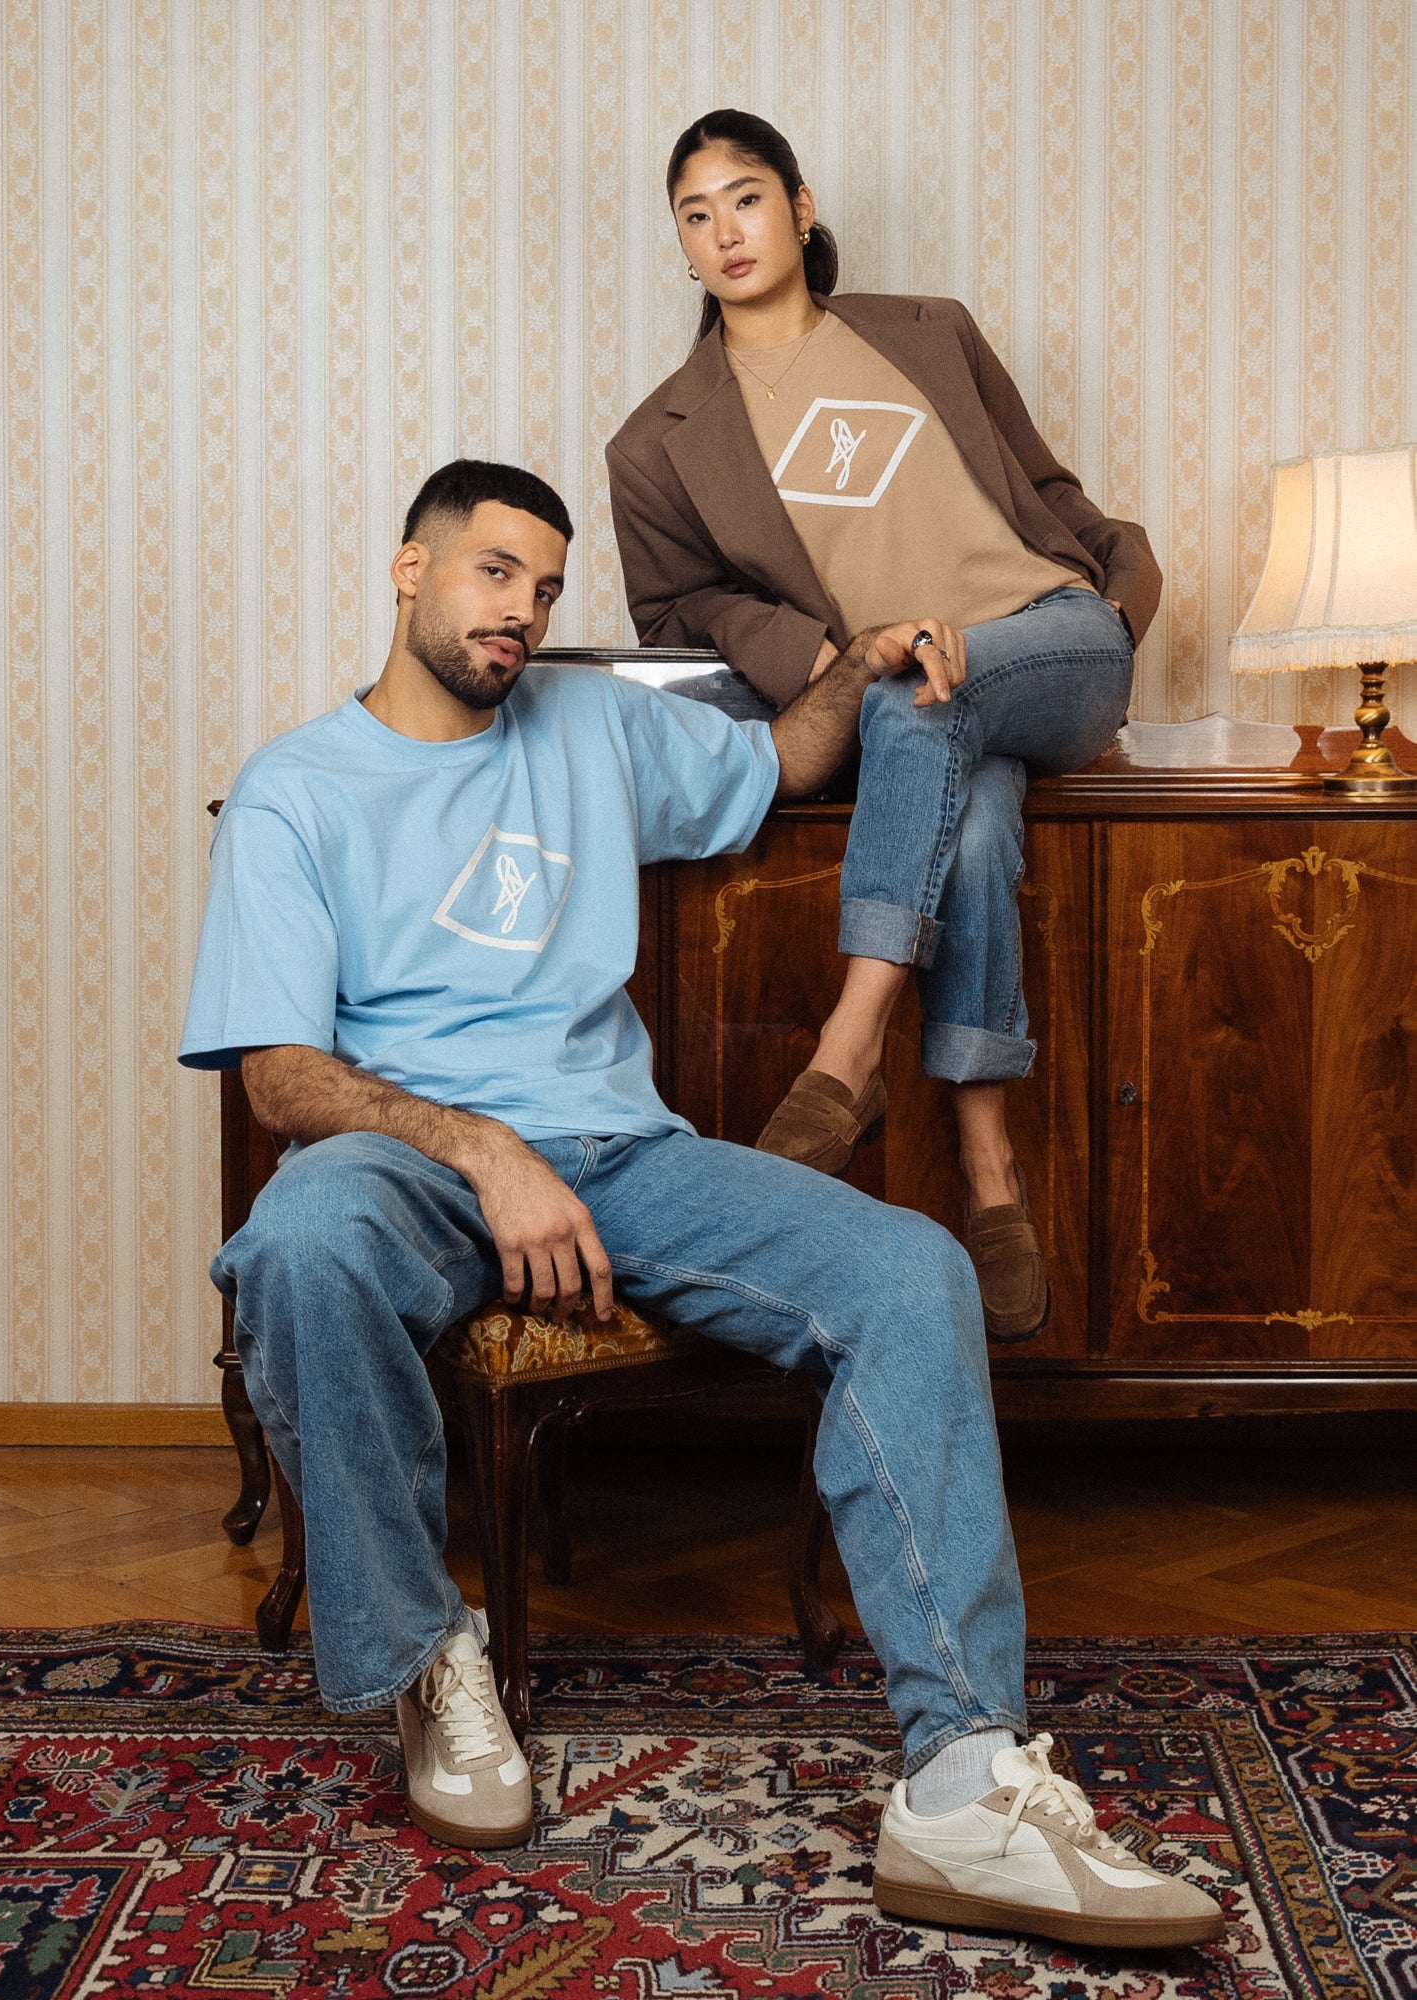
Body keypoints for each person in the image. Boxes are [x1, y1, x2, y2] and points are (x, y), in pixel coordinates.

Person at [179, 457, 1218, 1950]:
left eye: (545, 588)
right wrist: (483, 1150)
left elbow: (783, 761)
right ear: (410, 570)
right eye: (493, 572)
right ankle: (426, 1654)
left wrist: (858, 665)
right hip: (405, 1161)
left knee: (912, 1270)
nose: (521, 611)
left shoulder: (591, 723)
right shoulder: (296, 787)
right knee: (296, 1239)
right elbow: (282, 1079)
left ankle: (963, 1779)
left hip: (622, 1153)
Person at [608, 110, 1163, 1342]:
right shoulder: (656, 444)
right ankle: (989, 1164)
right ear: (681, 245)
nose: (724, 231)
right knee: (961, 801)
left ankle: (846, 1048)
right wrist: (821, 657)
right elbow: (674, 609)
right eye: (695, 215)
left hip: (1051, 639)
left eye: (745, 198)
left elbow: (1050, 491)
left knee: (929, 710)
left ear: (799, 206)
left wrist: (1121, 601)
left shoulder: (927, 332)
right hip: (903, 694)